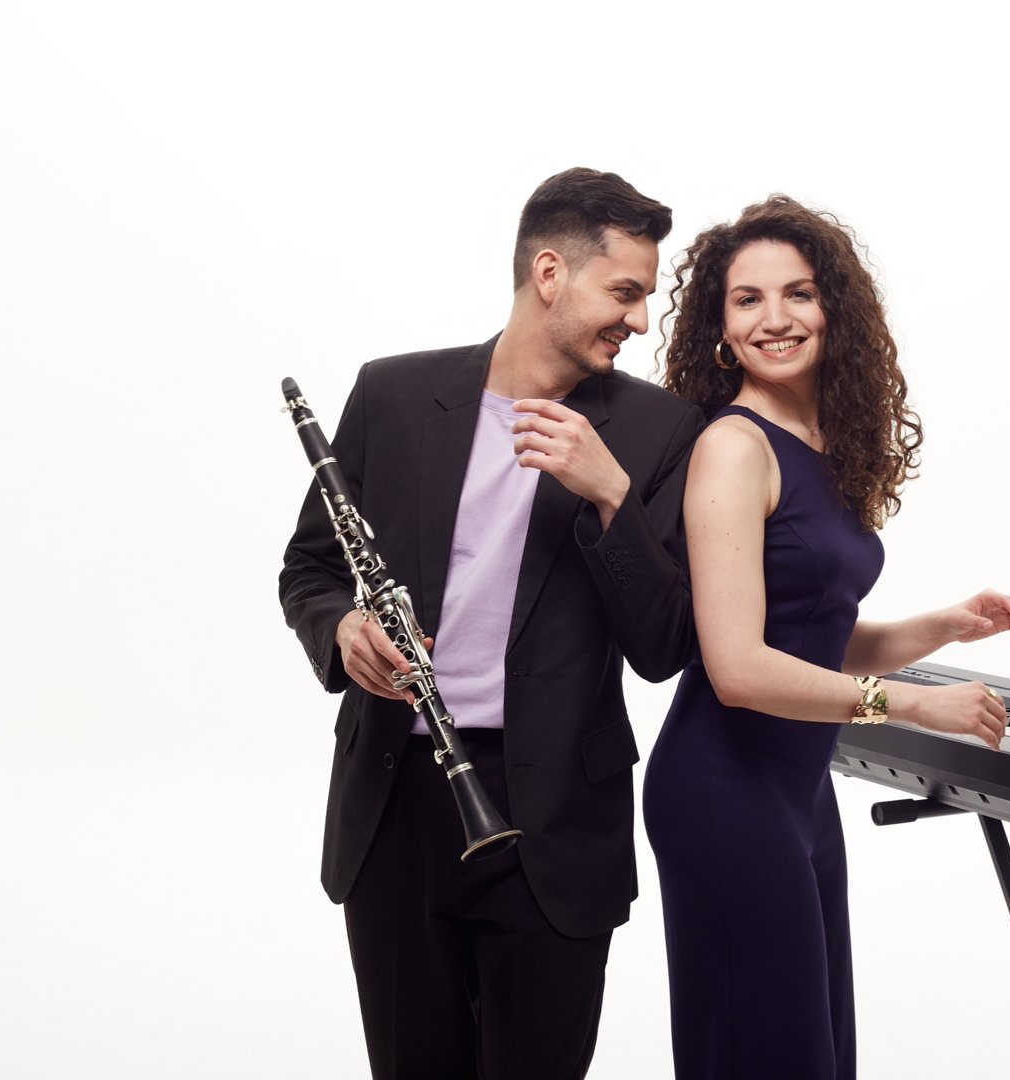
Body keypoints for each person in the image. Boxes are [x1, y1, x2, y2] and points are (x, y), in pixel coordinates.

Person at [278, 167, 704, 1080]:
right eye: (623, 291)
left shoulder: (660, 430)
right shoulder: (392, 394)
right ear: (550, 273)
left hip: (554, 816)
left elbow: (663, 646)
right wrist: (342, 628)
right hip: (396, 801)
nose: (639, 320)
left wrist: (610, 497)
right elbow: (309, 568)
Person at [643, 195, 1010, 1079]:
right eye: (747, 299)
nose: (775, 318)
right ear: (720, 327)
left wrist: (944, 625)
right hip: (723, 793)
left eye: (798, 293)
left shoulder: (819, 442)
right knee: (767, 1058)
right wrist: (914, 707)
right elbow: (738, 668)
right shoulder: (734, 447)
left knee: (812, 1055)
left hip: (797, 793)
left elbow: (814, 636)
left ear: (834, 310)